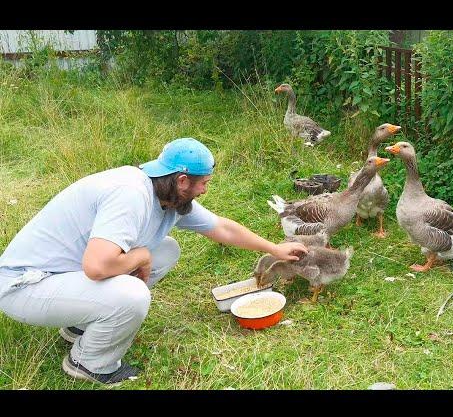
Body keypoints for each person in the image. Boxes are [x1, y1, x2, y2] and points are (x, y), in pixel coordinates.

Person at [0, 137, 307, 385]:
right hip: (26, 287)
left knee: (166, 250)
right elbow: (97, 267)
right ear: (183, 180)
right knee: (133, 294)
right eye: (204, 183)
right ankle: (88, 362)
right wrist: (141, 254)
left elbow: (222, 227)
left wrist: (276, 249)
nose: (205, 190)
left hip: (61, 276)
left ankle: (80, 326)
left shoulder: (167, 195)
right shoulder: (130, 195)